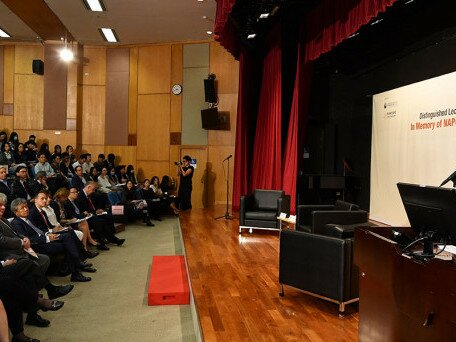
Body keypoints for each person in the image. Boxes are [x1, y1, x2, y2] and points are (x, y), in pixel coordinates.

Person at [10, 196, 93, 282]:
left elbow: (40, 230)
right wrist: (47, 238)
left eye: (26, 207)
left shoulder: (27, 218)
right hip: (37, 246)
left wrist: (48, 234)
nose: (26, 209)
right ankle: (77, 269)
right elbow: (30, 239)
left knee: (68, 236)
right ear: (16, 212)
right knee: (67, 244)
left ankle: (77, 267)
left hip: (44, 238)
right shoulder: (17, 223)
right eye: (22, 208)